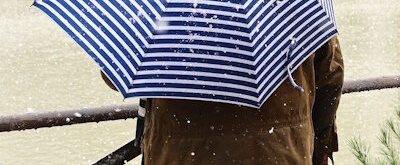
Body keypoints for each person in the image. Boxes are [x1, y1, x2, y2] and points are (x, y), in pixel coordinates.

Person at [102, 35, 344, 165]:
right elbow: (331, 77)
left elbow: (117, 74)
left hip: (181, 155)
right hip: (281, 153)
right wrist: (319, 150)